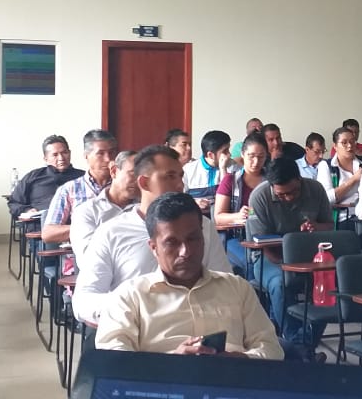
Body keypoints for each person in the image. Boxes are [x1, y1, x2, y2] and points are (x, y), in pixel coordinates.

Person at [95, 192, 282, 359]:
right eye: (172, 242)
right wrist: (172, 363)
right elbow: (113, 361)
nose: (185, 251)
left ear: (203, 239)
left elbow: (272, 349)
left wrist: (241, 361)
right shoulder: (130, 297)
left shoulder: (237, 288)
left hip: (232, 381)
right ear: (153, 248)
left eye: (193, 239)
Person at [73, 146, 230, 325]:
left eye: (180, 177)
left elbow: (224, 283)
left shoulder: (202, 226)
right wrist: (140, 307)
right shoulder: (112, 232)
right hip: (133, 328)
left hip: (193, 325)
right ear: (144, 183)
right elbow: (84, 301)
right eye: (170, 177)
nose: (180, 185)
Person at [245, 158, 333, 354]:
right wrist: (287, 264)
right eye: (281, 194)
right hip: (270, 257)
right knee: (280, 283)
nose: (288, 198)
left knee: (329, 283)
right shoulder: (259, 197)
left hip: (308, 256)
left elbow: (329, 226)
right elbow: (262, 242)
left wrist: (316, 228)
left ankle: (305, 344)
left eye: (293, 192)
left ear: (299, 179)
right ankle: (297, 345)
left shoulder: (316, 189)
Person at [42, 129, 118, 245]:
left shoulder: (125, 187)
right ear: (86, 156)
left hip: (122, 251)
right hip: (82, 252)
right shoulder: (69, 189)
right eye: (100, 153)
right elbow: (49, 234)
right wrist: (91, 227)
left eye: (112, 153)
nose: (108, 159)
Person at [70, 149, 141, 255]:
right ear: (114, 172)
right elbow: (88, 256)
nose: (138, 180)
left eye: (143, 176)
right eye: (133, 173)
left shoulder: (145, 209)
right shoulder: (87, 211)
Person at [214, 133, 267, 272]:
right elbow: (218, 217)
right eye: (251, 156)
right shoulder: (231, 181)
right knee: (252, 263)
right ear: (243, 154)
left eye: (261, 157)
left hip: (266, 236)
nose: (256, 162)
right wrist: (238, 216)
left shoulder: (271, 181)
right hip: (237, 237)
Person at [6, 134, 85, 220]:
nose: (61, 158)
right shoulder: (33, 177)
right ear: (46, 159)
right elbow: (14, 203)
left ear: (69, 153)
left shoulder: (83, 177)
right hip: (39, 224)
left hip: (76, 224)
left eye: (64, 153)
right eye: (55, 155)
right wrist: (27, 210)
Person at [322, 127, 362, 231]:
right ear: (335, 146)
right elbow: (327, 199)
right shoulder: (326, 166)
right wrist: (353, 179)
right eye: (344, 143)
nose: (350, 146)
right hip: (342, 218)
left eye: (352, 141)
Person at [181, 130, 232, 214]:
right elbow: (179, 199)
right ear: (210, 155)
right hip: (197, 217)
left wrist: (223, 169)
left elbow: (232, 197)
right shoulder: (188, 170)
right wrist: (194, 202)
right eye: (225, 151)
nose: (229, 154)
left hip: (224, 217)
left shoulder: (233, 167)